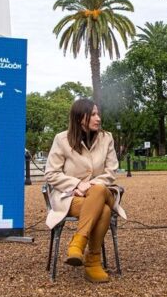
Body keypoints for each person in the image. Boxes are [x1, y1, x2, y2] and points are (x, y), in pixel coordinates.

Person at [44, 98, 127, 283]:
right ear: (80, 118)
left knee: (97, 191)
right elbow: (51, 173)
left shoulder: (107, 138)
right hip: (70, 197)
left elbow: (111, 171)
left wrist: (88, 186)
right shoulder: (62, 139)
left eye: (98, 113)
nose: (98, 118)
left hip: (103, 190)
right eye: (93, 114)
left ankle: (78, 243)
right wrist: (75, 184)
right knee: (103, 210)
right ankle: (92, 263)